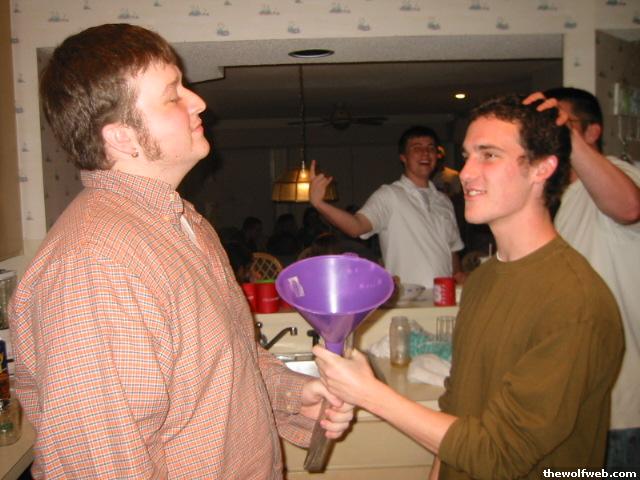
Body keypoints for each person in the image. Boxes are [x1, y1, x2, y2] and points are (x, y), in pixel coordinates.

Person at [8, 24, 352, 479]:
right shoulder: (93, 265)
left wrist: (293, 394)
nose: (198, 101)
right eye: (173, 95)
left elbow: (227, 363)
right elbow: (102, 466)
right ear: (122, 137)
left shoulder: (185, 223)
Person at [313, 94, 624, 479]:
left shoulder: (574, 302)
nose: (466, 172)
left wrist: (370, 394)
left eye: (489, 155)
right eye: (467, 156)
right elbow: (457, 406)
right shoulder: (484, 280)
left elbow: (500, 454)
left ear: (542, 168)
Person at [528, 87, 640, 471]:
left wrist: (567, 138)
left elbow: (629, 207)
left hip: (622, 410)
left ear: (591, 132)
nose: (550, 132)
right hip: (581, 405)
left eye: (562, 123)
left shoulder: (619, 173)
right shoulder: (567, 196)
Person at [309, 126, 464, 288]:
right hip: (408, 298)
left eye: (430, 148)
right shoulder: (390, 195)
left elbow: (452, 249)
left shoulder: (443, 200)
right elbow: (356, 227)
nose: (425, 153)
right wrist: (320, 204)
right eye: (417, 148)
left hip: (444, 296)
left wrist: (458, 276)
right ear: (403, 157)